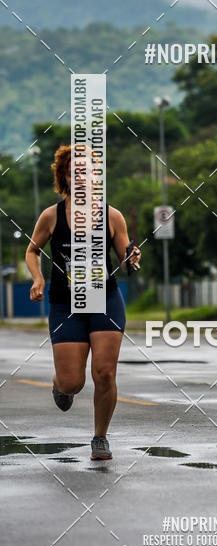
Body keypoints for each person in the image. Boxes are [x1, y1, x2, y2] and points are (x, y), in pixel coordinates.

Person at [26, 145, 141, 460]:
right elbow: (32, 251)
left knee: (104, 372)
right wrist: (38, 278)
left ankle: (100, 438)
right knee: (73, 382)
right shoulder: (51, 216)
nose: (81, 175)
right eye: (73, 171)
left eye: (87, 170)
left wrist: (132, 257)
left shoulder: (112, 215)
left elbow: (125, 257)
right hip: (66, 304)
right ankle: (59, 384)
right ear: (64, 176)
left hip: (105, 299)